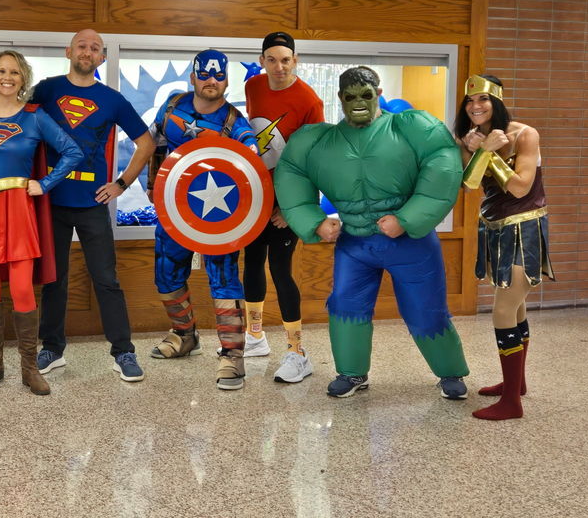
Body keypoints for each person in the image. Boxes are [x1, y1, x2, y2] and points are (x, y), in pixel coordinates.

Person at [275, 66, 469, 400]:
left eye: (366, 94)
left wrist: (407, 218)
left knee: (425, 309)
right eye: (350, 96)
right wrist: (315, 221)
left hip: (410, 242)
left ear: (379, 94)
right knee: (345, 305)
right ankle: (351, 373)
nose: (358, 102)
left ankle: (450, 372)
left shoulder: (410, 128)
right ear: (340, 99)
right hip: (354, 243)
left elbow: (443, 161)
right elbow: (292, 173)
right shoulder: (318, 141)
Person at [31, 29, 155, 382]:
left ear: (102, 57)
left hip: (92, 203)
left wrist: (122, 183)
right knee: (54, 279)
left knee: (106, 279)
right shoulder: (46, 89)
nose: (87, 52)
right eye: (82, 46)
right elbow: (22, 127)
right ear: (68, 51)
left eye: (95, 48)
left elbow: (145, 143)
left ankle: (123, 352)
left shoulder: (112, 99)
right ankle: (52, 348)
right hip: (52, 201)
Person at [0, 49, 82, 396]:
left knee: (23, 288)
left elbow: (72, 151)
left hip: (18, 207)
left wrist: (45, 182)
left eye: (13, 72)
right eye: (0, 71)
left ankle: (29, 367)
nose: (7, 77)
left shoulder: (35, 116)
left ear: (23, 77)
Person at [147, 49, 258, 391]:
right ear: (193, 76)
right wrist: (149, 187)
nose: (212, 81)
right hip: (174, 211)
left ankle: (232, 355)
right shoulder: (172, 106)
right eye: (205, 74)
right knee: (165, 273)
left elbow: (252, 166)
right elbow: (152, 144)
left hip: (219, 218)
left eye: (219, 75)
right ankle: (183, 334)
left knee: (223, 280)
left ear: (226, 80)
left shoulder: (235, 123)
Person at [456, 74, 553, 421]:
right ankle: (517, 384)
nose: (475, 106)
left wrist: (488, 153)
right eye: (469, 101)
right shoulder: (470, 137)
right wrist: (475, 149)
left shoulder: (524, 134)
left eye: (483, 99)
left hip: (524, 229)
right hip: (494, 229)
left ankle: (511, 403)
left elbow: (520, 187)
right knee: (518, 308)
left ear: (496, 102)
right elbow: (468, 185)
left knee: (502, 310)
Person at [242, 31, 324, 383]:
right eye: (271, 59)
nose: (279, 66)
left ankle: (296, 351)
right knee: (252, 263)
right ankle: (255, 336)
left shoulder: (309, 100)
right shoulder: (253, 87)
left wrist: (292, 207)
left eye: (285, 60)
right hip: (257, 194)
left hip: (288, 199)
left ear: (296, 61)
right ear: (262, 61)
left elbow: (315, 160)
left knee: (280, 268)